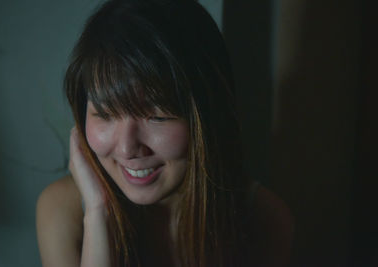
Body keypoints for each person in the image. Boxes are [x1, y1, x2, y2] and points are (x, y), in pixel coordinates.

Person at [36, 0, 293, 266]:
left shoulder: (263, 219)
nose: (126, 149)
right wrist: (98, 214)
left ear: (206, 115)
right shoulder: (62, 209)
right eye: (105, 114)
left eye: (157, 117)